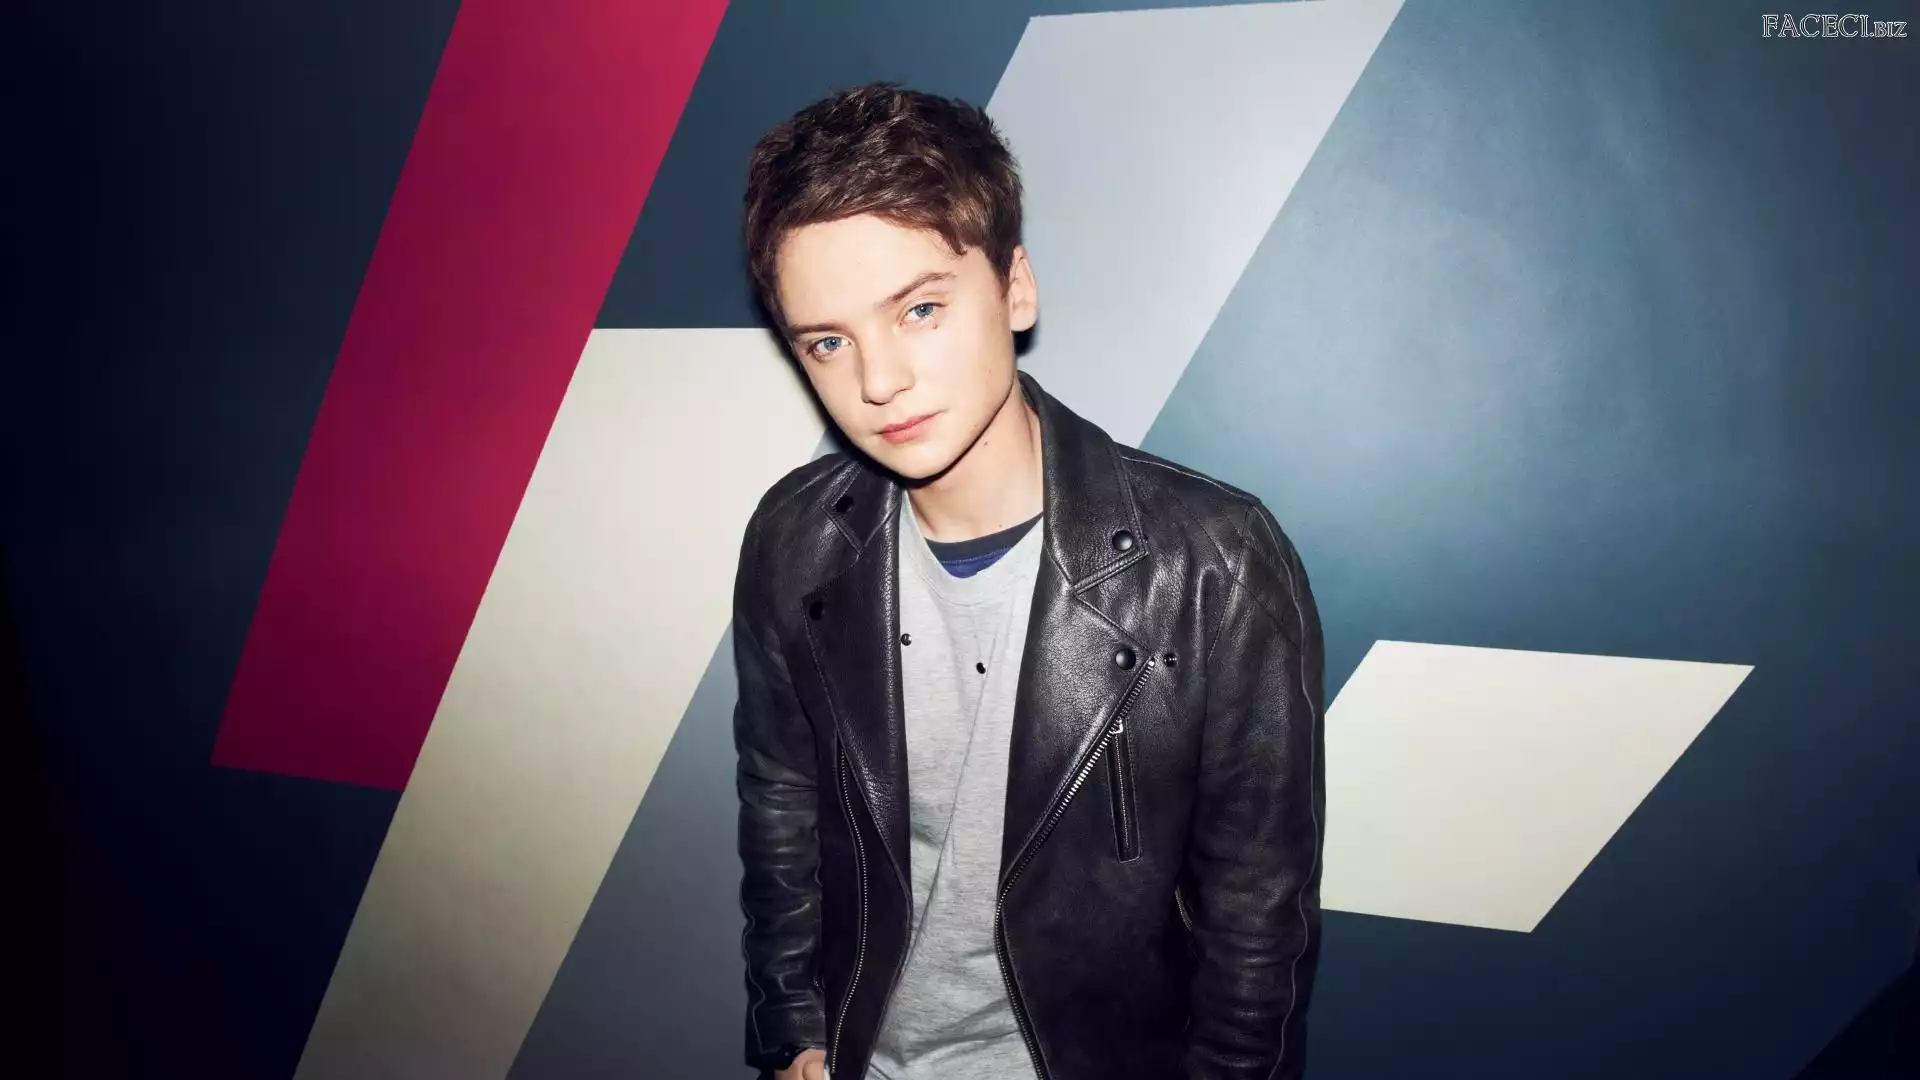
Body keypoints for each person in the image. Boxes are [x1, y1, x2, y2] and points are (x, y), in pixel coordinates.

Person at [731, 82, 1325, 1080]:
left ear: (1015, 289)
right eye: (829, 341)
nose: (877, 381)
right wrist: (793, 1029)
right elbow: (780, 801)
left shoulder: (1214, 562)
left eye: (919, 309)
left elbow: (1256, 917)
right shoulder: (794, 539)